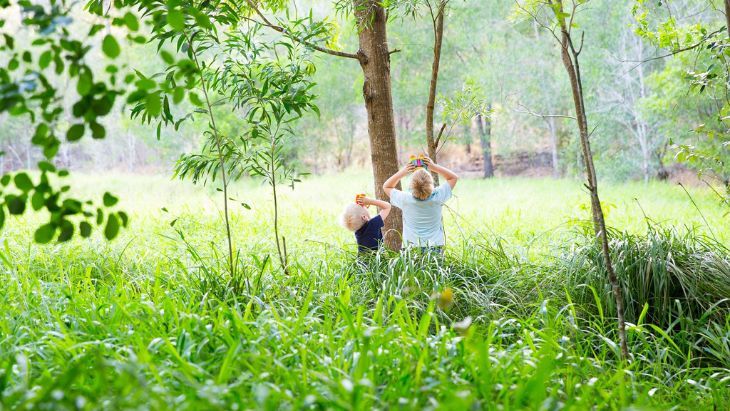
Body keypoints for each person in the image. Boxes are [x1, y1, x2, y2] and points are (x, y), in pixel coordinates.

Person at [383, 156, 458, 253]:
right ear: (431, 183)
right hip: (435, 246)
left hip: (411, 247)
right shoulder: (438, 196)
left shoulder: (405, 199)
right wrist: (434, 167)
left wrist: (403, 172)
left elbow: (387, 186)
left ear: (412, 186)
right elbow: (453, 177)